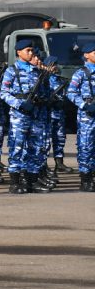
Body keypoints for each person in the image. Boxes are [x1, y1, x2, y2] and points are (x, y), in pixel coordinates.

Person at [0, 40, 50, 194]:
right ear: (18, 52)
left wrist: (41, 100)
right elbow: (3, 93)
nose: (31, 53)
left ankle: (32, 181)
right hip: (19, 115)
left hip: (35, 114)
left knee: (35, 148)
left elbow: (43, 92)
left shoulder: (36, 71)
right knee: (17, 147)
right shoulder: (12, 70)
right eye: (28, 50)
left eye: (32, 50)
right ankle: (15, 182)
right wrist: (19, 104)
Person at [66, 42, 95, 192]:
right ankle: (85, 179)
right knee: (86, 147)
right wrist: (84, 105)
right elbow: (71, 92)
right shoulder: (81, 73)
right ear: (86, 55)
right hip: (87, 116)